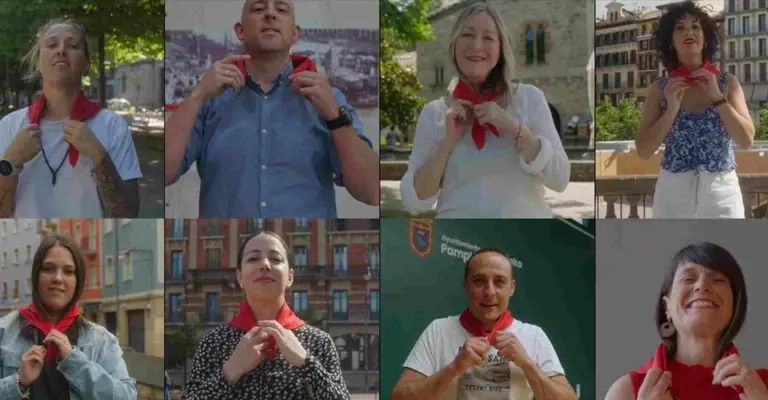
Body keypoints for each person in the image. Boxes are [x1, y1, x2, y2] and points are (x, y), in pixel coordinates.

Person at [165, 0, 379, 218]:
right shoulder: (209, 98)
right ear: (240, 31)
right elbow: (163, 173)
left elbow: (371, 192)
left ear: (295, 33)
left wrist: (335, 117)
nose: (270, 14)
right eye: (258, 9)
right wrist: (196, 96)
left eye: (281, 9)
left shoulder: (329, 98)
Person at [400, 3, 570, 218]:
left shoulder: (530, 98)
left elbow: (561, 179)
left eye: (488, 38)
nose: (477, 46)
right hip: (457, 240)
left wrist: (516, 129)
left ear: (501, 49)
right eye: (467, 35)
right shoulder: (434, 113)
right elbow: (413, 203)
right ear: (454, 44)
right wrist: (447, 143)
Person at [176, 231, 355, 400]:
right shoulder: (215, 342)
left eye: (276, 259)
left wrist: (306, 363)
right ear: (239, 276)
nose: (265, 265)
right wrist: (230, 370)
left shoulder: (318, 341)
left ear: (290, 277)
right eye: (253, 258)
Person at [390, 248, 579, 400]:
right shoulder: (438, 331)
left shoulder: (533, 336)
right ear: (465, 286)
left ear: (511, 287)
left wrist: (527, 364)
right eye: (479, 281)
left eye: (499, 282)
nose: (490, 292)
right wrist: (453, 368)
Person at [598, 242, 768, 400]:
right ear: (667, 307)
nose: (703, 286)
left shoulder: (763, 387)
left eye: (718, 280)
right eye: (688, 278)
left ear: (734, 306)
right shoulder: (627, 391)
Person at [0, 19, 142, 218]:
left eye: (73, 45)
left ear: (86, 65)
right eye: (51, 44)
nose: (61, 50)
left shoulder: (112, 126)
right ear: (38, 63)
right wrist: (10, 162)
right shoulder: (9, 126)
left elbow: (129, 214)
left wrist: (100, 157)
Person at [0, 234, 137, 400]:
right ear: (35, 276)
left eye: (69, 271)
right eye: (48, 269)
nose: (58, 278)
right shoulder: (4, 332)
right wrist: (18, 382)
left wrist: (76, 364)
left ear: (78, 281)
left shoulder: (101, 341)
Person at [634, 1, 754, 218]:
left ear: (705, 37)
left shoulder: (728, 84)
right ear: (670, 41)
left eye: (695, 26)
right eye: (680, 28)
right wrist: (671, 111)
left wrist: (718, 98)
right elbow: (643, 151)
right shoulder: (659, 89)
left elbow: (746, 140)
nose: (689, 31)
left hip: (723, 196)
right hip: (672, 196)